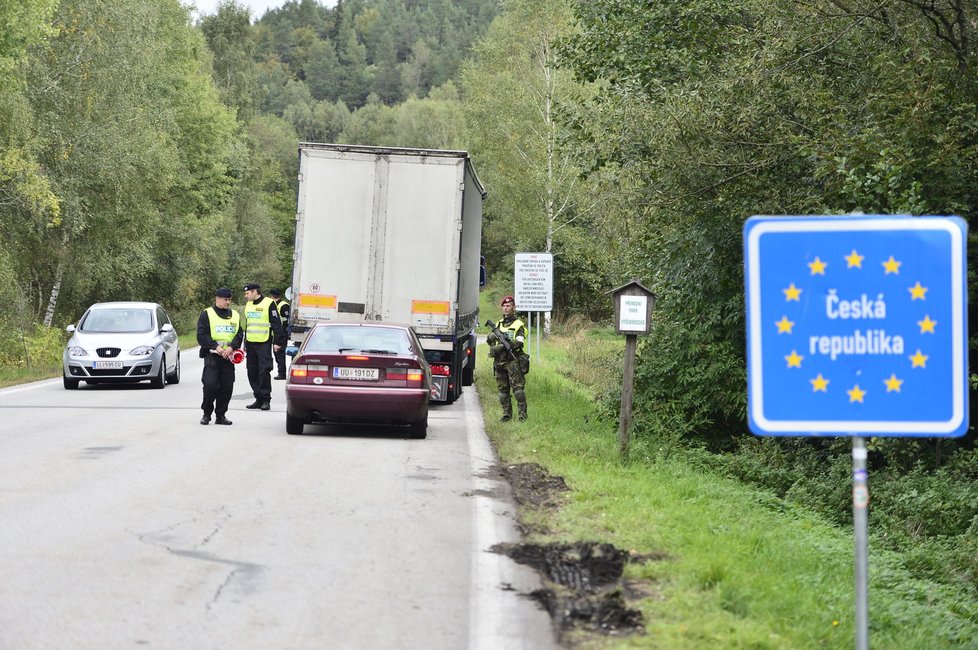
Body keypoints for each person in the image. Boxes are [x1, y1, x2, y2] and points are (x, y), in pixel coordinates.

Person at [197, 287, 243, 425]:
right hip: (213, 356)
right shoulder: (207, 314)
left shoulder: (234, 315)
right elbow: (201, 335)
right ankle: (206, 413)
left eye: (229, 299)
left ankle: (221, 415)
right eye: (225, 299)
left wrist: (232, 347)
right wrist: (215, 347)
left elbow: (239, 334)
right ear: (217, 298)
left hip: (228, 356)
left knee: (227, 386)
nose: (228, 302)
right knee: (210, 385)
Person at [242, 283, 286, 411]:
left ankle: (266, 399)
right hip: (250, 343)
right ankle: (258, 398)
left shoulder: (269, 303)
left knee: (264, 371)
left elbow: (276, 323)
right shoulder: (248, 304)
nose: (246, 296)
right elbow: (248, 325)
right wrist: (245, 343)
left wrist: (278, 342)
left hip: (264, 342)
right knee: (252, 371)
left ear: (255, 292)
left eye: (247, 293)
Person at [487, 295, 528, 421]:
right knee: (502, 391)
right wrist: (491, 338)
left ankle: (522, 416)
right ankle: (506, 415)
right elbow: (490, 340)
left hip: (513, 361)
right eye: (504, 306)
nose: (505, 308)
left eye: (508, 306)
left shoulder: (518, 324)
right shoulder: (498, 324)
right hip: (500, 362)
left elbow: (520, 342)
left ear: (513, 308)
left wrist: (501, 348)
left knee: (518, 390)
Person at [269, 288, 291, 380]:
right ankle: (281, 372)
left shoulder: (284, 305)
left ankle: (282, 374)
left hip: (282, 333)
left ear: (272, 296)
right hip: (276, 333)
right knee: (277, 353)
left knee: (280, 354)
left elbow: (287, 319)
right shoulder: (274, 304)